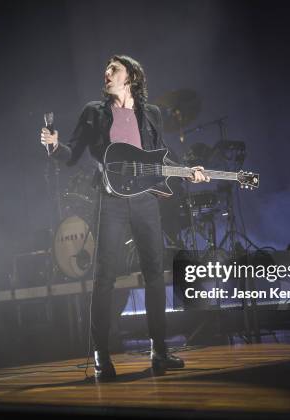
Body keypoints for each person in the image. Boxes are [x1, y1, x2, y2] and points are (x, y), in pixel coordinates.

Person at [40, 55, 209, 380]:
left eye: (113, 69)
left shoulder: (152, 114)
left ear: (131, 76)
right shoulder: (94, 112)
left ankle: (159, 351)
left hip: (145, 201)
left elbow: (162, 153)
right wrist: (54, 145)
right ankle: (101, 354)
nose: (106, 73)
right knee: (105, 278)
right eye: (105, 69)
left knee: (154, 274)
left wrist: (189, 171)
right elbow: (72, 154)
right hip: (112, 200)